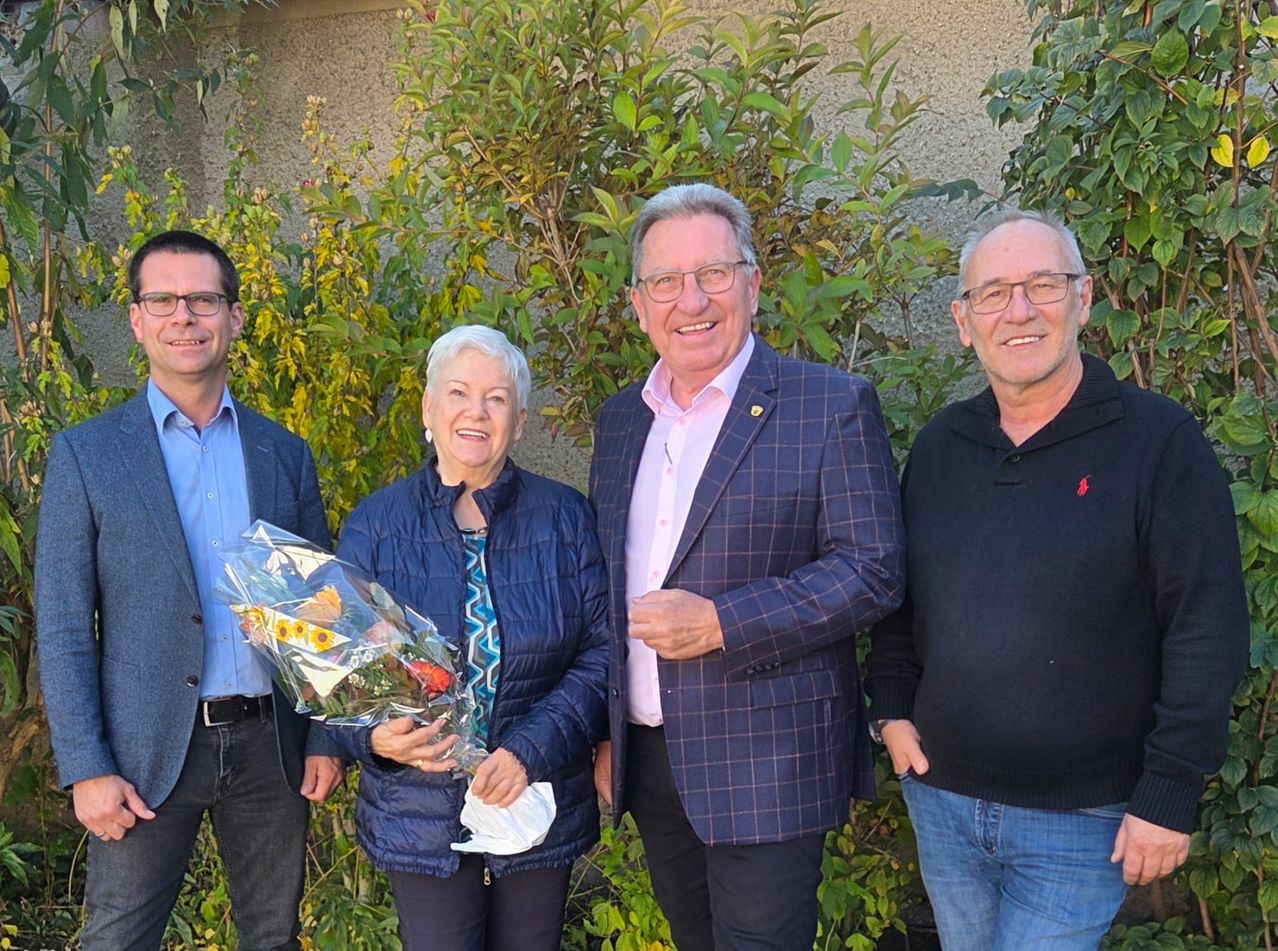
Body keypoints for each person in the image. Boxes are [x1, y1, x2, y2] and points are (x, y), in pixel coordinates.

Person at [866, 209, 1250, 950]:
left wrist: (1169, 795)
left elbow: (1206, 629)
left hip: (1081, 820)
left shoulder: (1158, 443)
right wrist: (891, 709)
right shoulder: (943, 445)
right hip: (943, 801)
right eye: (994, 293)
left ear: (1084, 298)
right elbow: (897, 595)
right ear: (963, 319)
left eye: (1043, 284)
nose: (1019, 310)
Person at [589, 182, 906, 950]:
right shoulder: (623, 419)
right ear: (639, 304)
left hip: (768, 761)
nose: (690, 300)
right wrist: (604, 732)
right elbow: (607, 579)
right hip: (651, 756)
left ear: (754, 284)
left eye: (714, 274)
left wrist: (725, 622)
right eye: (665, 281)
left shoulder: (828, 405)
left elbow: (874, 569)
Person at [36, 230, 344, 950]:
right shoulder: (88, 455)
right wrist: (88, 767)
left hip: (272, 746)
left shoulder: (282, 452)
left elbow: (321, 615)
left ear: (234, 317)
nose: (185, 315)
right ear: (138, 320)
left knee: (273, 936)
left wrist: (327, 736)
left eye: (203, 299)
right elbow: (63, 625)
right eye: (163, 300)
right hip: (144, 752)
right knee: (117, 937)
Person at [328, 324, 609, 951]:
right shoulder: (376, 524)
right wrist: (376, 740)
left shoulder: (566, 517)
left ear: (520, 418)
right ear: (429, 409)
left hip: (537, 789)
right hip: (417, 805)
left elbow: (602, 650)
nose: (475, 412)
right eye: (457, 392)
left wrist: (531, 749)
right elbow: (335, 669)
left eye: (497, 398)